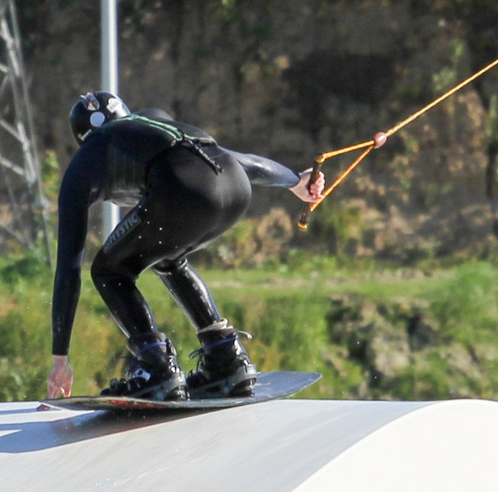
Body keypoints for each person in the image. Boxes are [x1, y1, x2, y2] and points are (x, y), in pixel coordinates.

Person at [47, 90, 327, 402]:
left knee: (109, 270)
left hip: (183, 190)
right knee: (169, 256)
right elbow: (243, 162)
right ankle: (225, 357)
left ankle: (156, 367)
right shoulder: (153, 124)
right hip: (235, 187)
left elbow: (68, 267)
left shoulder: (86, 159)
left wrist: (60, 358)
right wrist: (294, 182)